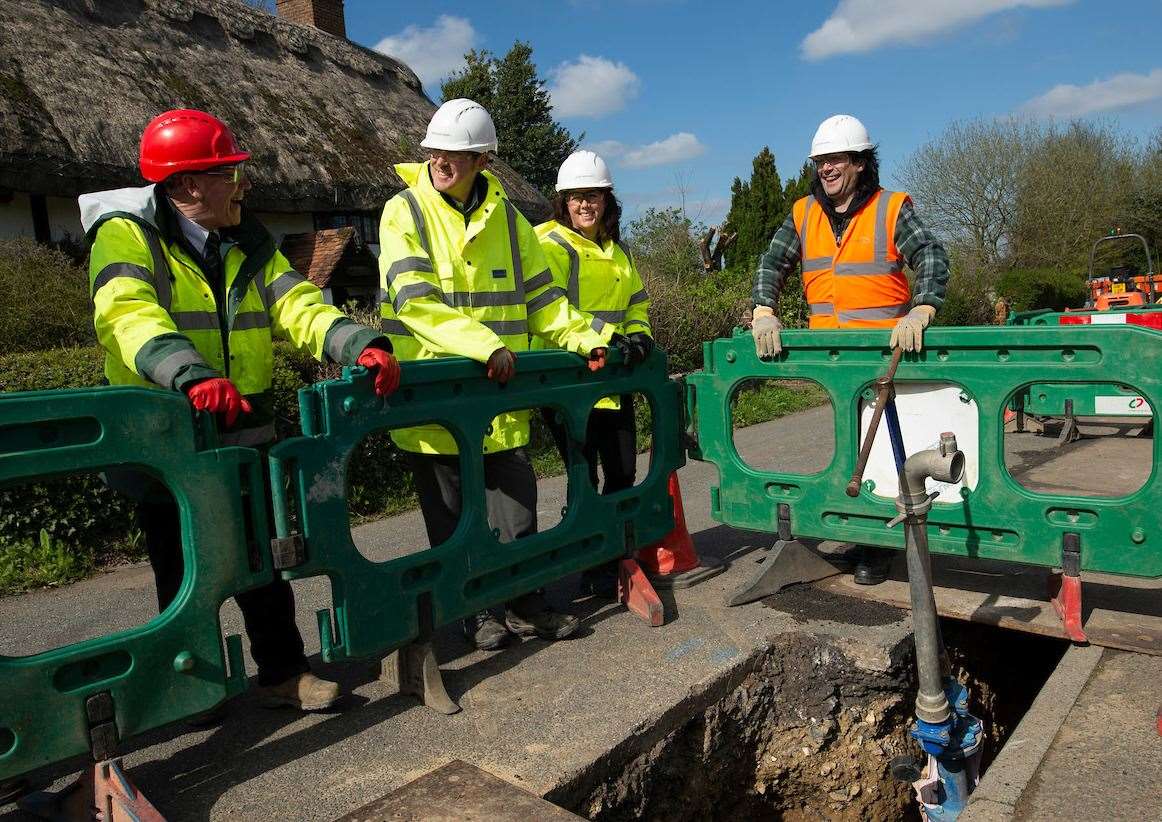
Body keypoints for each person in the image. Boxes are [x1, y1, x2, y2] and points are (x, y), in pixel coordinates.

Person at [80, 109, 400, 711]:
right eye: (228, 170)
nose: (240, 182)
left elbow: (299, 306)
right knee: (179, 569)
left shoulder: (248, 242)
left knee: (263, 559)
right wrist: (189, 373)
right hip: (164, 430)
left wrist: (362, 345)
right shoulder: (125, 236)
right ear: (188, 185)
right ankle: (189, 690)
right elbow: (127, 312)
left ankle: (282, 673)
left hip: (241, 424)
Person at [378, 99, 611, 651]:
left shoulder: (511, 221)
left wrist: (591, 340)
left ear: (484, 159)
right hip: (435, 401)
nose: (442, 160)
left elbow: (546, 303)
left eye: (456, 153)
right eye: (436, 150)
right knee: (454, 519)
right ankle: (477, 612)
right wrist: (485, 346)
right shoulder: (402, 212)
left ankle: (525, 601)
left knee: (516, 507)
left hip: (500, 400)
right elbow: (413, 301)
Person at [749, 114, 949, 585]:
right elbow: (772, 262)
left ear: (860, 163)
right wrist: (763, 309)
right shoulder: (803, 213)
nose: (826, 168)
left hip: (886, 355)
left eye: (836, 159)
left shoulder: (891, 208)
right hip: (832, 359)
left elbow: (932, 255)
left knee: (886, 448)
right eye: (820, 161)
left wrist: (922, 309)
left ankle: (877, 544)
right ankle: (860, 528)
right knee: (849, 448)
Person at [534, 150, 653, 594]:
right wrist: (607, 333)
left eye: (595, 196)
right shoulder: (549, 243)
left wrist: (638, 334)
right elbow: (552, 308)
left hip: (615, 377)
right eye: (577, 197)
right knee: (584, 475)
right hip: (571, 381)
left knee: (623, 469)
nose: (586, 205)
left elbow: (637, 302)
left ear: (607, 201)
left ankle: (617, 551)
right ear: (563, 201)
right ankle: (591, 559)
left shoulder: (617, 249)